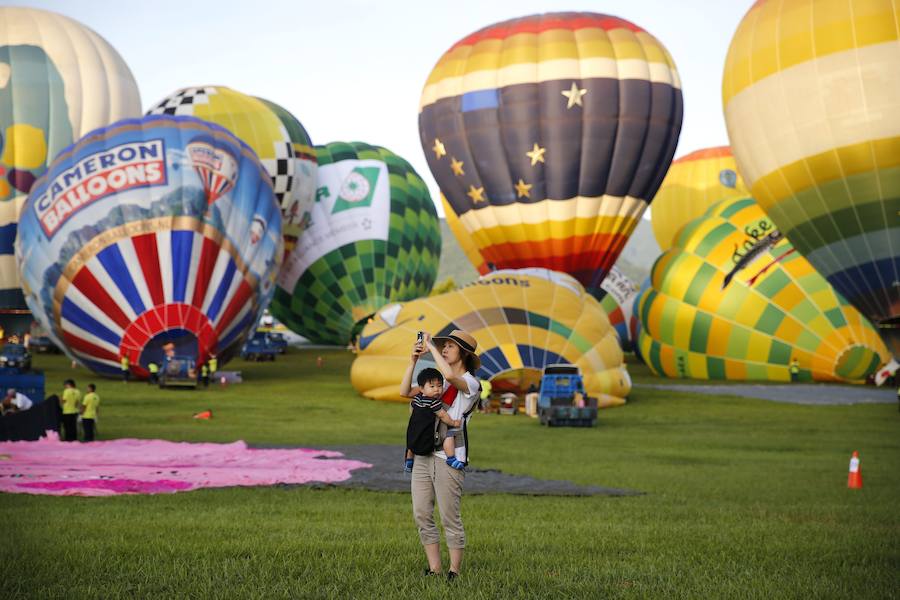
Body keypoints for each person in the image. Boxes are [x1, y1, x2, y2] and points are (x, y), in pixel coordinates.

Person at [405, 329, 481, 580]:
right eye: (443, 346)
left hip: (450, 458)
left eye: (450, 346)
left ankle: (454, 571)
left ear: (464, 353)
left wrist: (431, 345)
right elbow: (406, 392)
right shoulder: (440, 383)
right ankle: (435, 568)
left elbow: (450, 374)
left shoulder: (470, 383)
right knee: (421, 514)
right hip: (424, 454)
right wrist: (413, 360)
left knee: (450, 516)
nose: (445, 349)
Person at [402, 367, 462, 472]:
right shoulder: (433, 402)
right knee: (448, 435)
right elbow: (443, 415)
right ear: (421, 388)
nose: (436, 389)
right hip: (427, 432)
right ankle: (451, 458)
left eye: (439, 386)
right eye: (432, 386)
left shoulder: (416, 398)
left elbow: (412, 408)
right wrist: (453, 422)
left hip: (413, 428)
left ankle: (409, 461)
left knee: (411, 444)